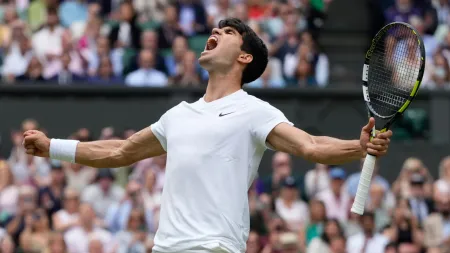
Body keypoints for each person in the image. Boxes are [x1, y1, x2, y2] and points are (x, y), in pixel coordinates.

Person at [22, 18, 393, 253]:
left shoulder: (255, 111)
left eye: (228, 32)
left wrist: (357, 147)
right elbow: (119, 150)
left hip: (213, 248)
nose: (214, 32)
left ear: (244, 58)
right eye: (216, 29)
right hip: (165, 248)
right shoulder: (178, 115)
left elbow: (311, 146)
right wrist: (53, 147)